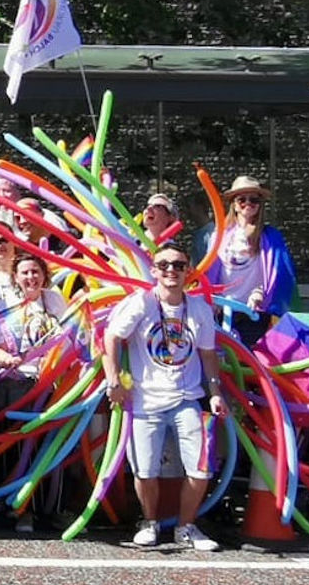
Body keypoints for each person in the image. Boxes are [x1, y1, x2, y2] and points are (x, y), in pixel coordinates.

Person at [102, 241, 226, 551]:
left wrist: (215, 393)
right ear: (154, 271)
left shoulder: (199, 308)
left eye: (179, 265)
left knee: (201, 469)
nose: (172, 270)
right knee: (145, 471)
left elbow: (208, 355)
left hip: (187, 399)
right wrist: (113, 378)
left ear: (189, 272)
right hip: (145, 401)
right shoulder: (141, 303)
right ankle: (150, 522)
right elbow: (111, 337)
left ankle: (186, 527)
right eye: (165, 265)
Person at [0, 251, 70, 532]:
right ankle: (19, 509)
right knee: (18, 448)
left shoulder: (55, 300)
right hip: (15, 384)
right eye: (24, 272)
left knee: (50, 448)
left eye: (35, 271)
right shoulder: (3, 304)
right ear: (15, 277)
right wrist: (4, 359)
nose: (30, 277)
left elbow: (72, 336)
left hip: (51, 385)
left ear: (44, 275)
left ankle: (50, 510)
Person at [207, 175, 296, 346]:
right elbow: (210, 270)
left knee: (248, 363)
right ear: (234, 204)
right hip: (221, 310)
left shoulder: (270, 237)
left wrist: (261, 294)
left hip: (253, 312)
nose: (248, 203)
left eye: (254, 199)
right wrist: (212, 298)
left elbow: (278, 275)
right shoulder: (219, 235)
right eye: (242, 199)